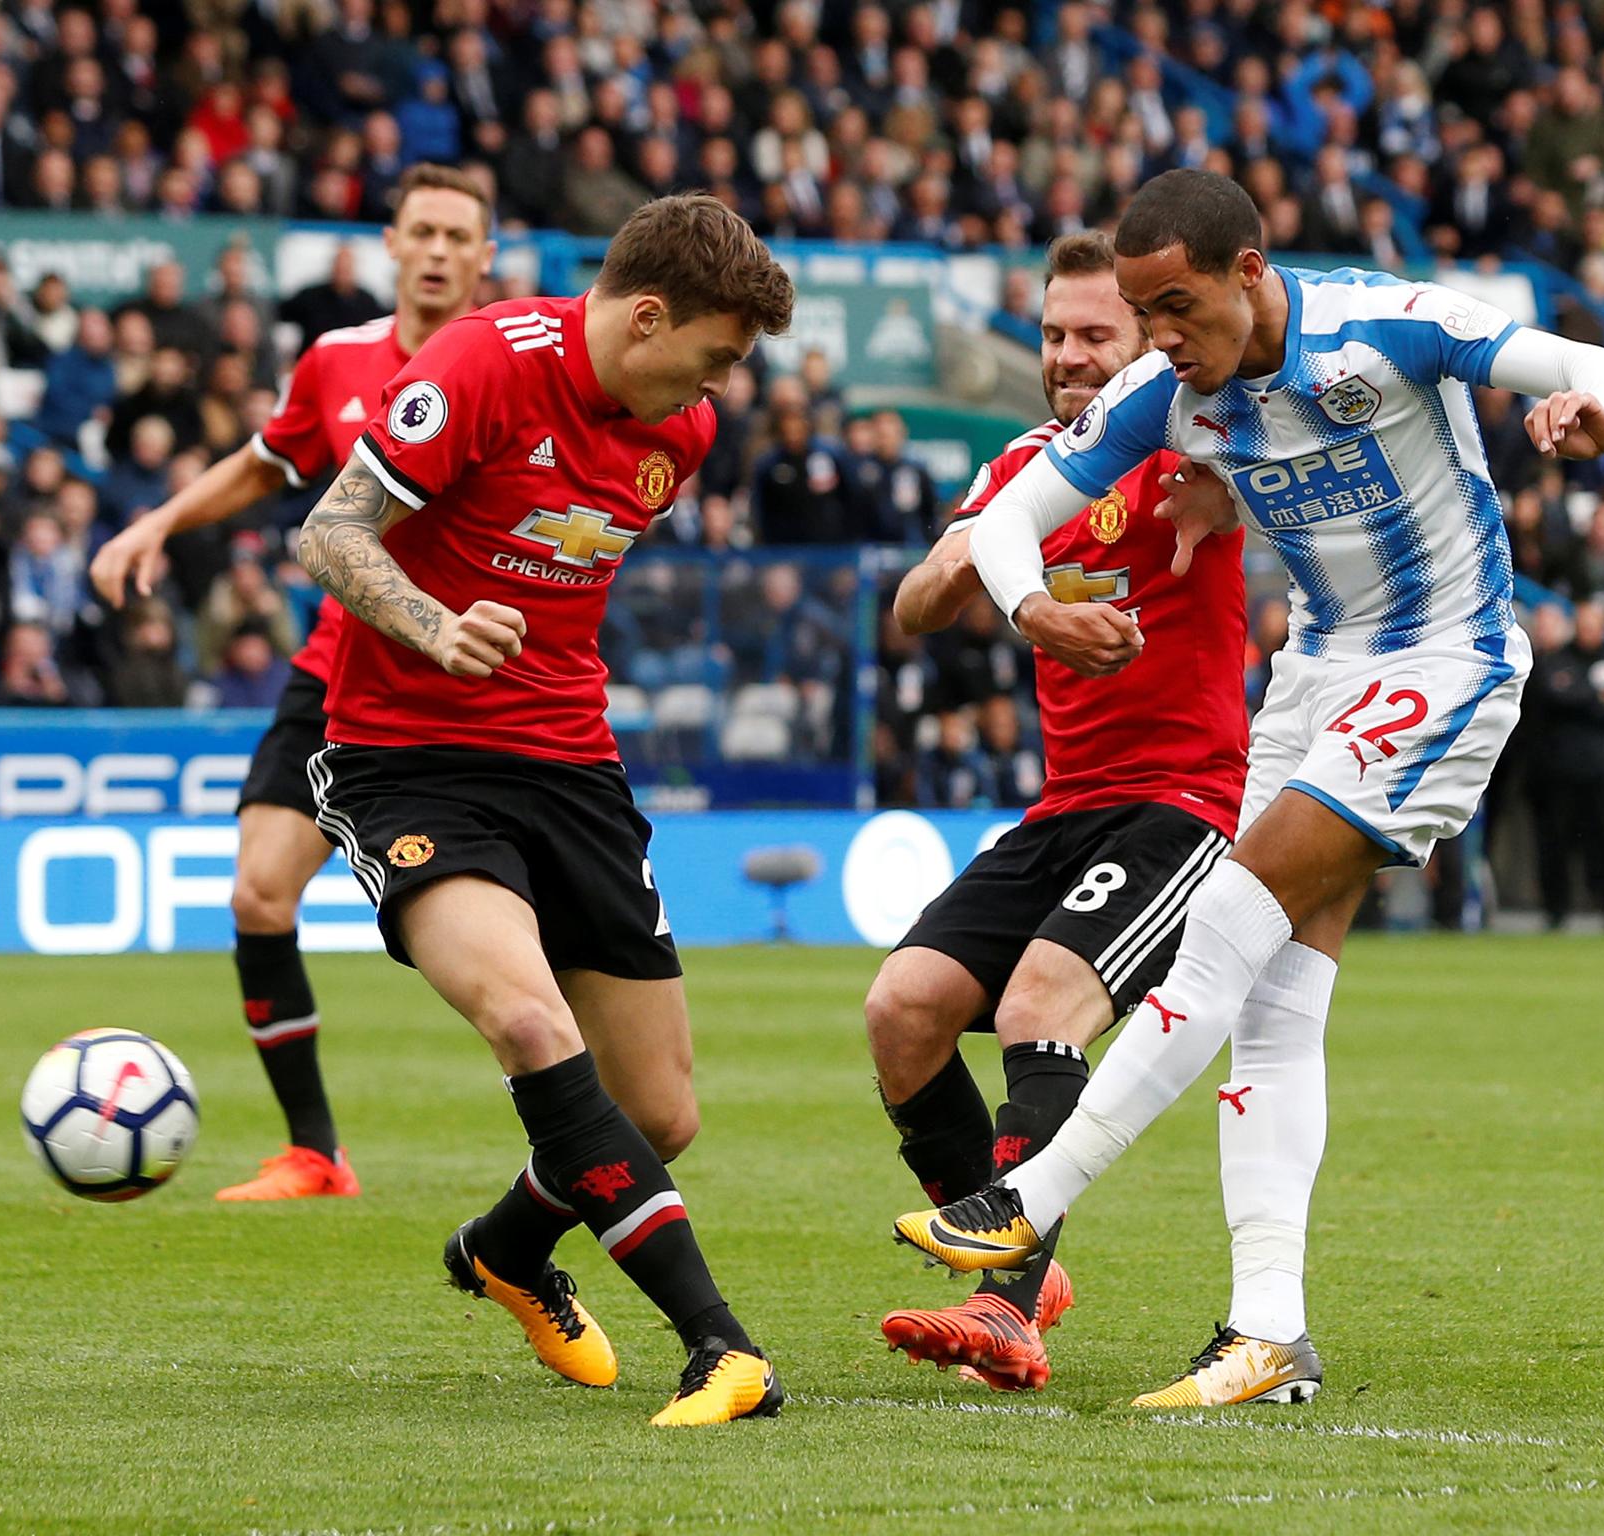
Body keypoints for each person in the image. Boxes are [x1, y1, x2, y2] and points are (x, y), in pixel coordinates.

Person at [891, 169, 1604, 1408]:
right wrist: (1029, 605)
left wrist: (1594, 414)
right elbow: (1012, 519)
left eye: (1176, 309)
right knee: (1278, 1005)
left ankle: (1026, 1199)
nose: (1163, 341)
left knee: (1228, 920)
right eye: (1144, 314)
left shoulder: (1387, 325)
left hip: (1445, 655)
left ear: (1249, 273)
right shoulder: (1161, 394)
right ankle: (1266, 1337)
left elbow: (1597, 364)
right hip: (1312, 679)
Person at [298, 194, 795, 1427]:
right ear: (644, 315)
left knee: (660, 1115)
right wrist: (432, 624)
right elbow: (331, 528)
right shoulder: (478, 363)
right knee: (527, 1020)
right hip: (410, 760)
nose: (725, 380)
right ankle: (719, 1346)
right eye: (719, 350)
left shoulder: (682, 431)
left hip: (571, 768)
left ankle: (508, 1252)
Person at [867, 230, 1248, 1392]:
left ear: (1149, 341)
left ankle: (1006, 1298)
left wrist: (1223, 492)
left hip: (1182, 804)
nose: (1071, 358)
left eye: (1098, 335)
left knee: (1042, 998)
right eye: (1053, 335)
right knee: (902, 1010)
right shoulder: (1027, 470)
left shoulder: (1204, 442)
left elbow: (1264, 484)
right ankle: (1022, 1247)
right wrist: (1000, 573)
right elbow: (914, 605)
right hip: (1065, 807)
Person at [88, 164, 495, 1202]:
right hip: (340, 668)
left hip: (477, 684)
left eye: (460, 235)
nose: (440, 251)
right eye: (424, 232)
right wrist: (157, 521)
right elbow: (269, 464)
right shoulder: (335, 361)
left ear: (485, 257)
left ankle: (581, 1134)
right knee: (259, 893)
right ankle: (316, 1152)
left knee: (509, 946)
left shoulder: (510, 362)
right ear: (391, 245)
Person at [1526, 597, 1604, 930]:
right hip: (1560, 771)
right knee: (1556, 844)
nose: (1589, 632)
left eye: (1595, 625)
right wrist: (1595, 696)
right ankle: (1556, 912)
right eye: (1584, 624)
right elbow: (1554, 695)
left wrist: (1579, 695)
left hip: (1602, 771)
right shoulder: (1556, 660)